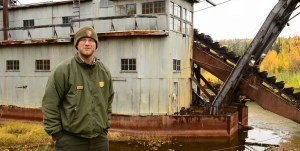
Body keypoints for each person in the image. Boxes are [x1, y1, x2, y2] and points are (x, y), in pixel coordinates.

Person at [42, 26, 114, 151]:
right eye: (83, 40)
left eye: (91, 40)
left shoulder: (104, 71)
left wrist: (105, 127)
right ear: (76, 44)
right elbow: (50, 103)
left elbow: (108, 102)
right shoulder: (63, 70)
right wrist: (57, 134)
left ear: (96, 45)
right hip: (71, 141)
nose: (87, 43)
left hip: (99, 141)